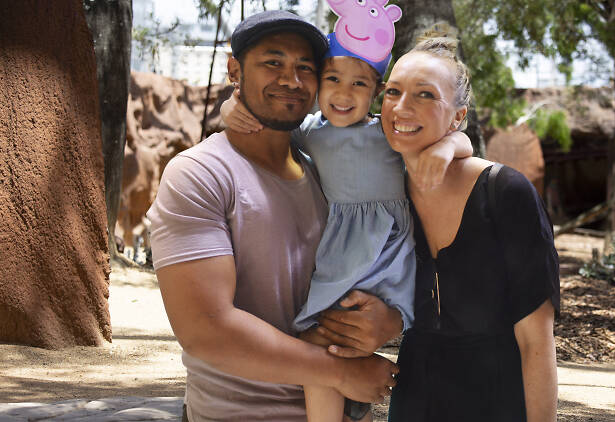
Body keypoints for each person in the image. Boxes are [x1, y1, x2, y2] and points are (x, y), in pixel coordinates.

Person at [147, 10, 405, 422]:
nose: (291, 79)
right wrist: (340, 371)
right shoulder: (200, 174)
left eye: (306, 67)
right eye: (273, 62)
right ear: (235, 69)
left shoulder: (326, 168)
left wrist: (388, 319)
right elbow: (207, 330)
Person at [219, 23, 473, 422]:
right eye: (332, 79)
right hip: (343, 254)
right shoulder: (310, 133)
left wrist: (447, 148)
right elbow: (263, 120)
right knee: (331, 345)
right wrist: (228, 107)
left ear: (376, 93)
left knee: (325, 340)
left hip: (384, 257)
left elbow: (463, 140)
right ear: (318, 83)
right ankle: (352, 411)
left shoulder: (387, 133)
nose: (342, 92)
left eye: (359, 84)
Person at [316, 35, 561, 421]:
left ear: (458, 116)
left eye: (425, 95)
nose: (401, 107)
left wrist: (451, 145)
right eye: (393, 91)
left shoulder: (504, 194)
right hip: (416, 396)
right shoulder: (383, 187)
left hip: (499, 400)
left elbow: (536, 343)